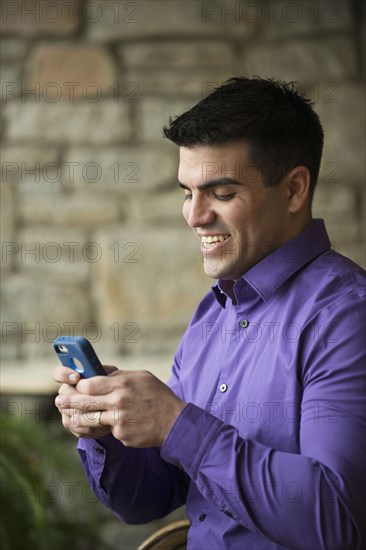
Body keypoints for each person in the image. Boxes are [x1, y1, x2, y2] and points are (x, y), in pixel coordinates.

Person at [54, 77, 366, 550]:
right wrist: (108, 429)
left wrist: (178, 425)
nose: (195, 216)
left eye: (221, 194)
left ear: (295, 189)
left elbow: (338, 521)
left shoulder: (347, 317)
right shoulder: (211, 313)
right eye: (187, 192)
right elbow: (149, 500)